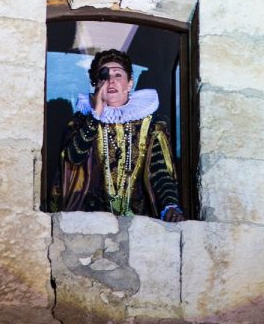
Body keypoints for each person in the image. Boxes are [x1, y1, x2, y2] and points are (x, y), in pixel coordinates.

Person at [51, 48, 184, 221]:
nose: (111, 81)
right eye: (104, 76)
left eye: (118, 75)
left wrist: (170, 205)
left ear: (129, 83)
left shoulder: (152, 125)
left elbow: (160, 172)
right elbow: (73, 159)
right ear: (97, 84)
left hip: (139, 222)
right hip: (91, 221)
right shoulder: (81, 122)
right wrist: (96, 114)